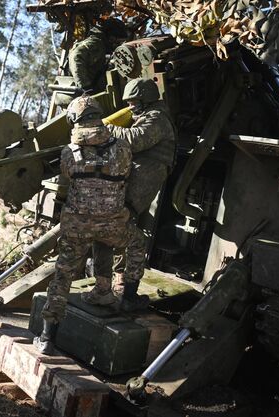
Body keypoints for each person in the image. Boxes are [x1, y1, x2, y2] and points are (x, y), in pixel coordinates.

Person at [33, 94, 146, 354]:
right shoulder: (123, 148)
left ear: (75, 120)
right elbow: (128, 173)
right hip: (112, 226)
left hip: (77, 228)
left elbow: (67, 176)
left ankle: (47, 338)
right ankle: (128, 296)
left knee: (63, 276)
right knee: (138, 243)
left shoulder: (68, 153)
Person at [84, 78, 176, 312]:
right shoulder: (143, 115)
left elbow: (135, 140)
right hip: (130, 179)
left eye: (135, 101)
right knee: (105, 234)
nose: (131, 106)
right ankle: (106, 289)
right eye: (129, 102)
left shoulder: (158, 118)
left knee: (123, 232)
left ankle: (126, 293)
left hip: (141, 182)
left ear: (146, 98)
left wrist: (106, 128)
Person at [68, 18, 128, 93]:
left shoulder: (102, 46)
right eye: (118, 42)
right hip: (83, 92)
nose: (119, 45)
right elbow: (76, 56)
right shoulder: (95, 44)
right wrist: (86, 86)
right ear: (111, 38)